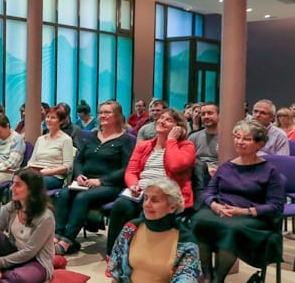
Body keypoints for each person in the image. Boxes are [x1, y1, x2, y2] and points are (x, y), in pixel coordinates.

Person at [88, 177, 202, 283]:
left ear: (172, 207)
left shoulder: (185, 239)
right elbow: (116, 270)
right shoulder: (131, 229)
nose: (147, 204)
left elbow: (185, 281)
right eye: (146, 198)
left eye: (155, 200)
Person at [191, 120, 286, 283]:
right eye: (237, 137)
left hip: (251, 217)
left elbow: (276, 206)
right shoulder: (227, 166)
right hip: (222, 211)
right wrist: (214, 205)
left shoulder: (270, 171)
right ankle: (208, 276)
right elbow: (208, 191)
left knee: (231, 229)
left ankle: (218, 282)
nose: (240, 142)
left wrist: (244, 211)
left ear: (259, 144)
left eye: (246, 139)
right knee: (199, 221)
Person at [105, 109, 195, 255]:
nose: (162, 121)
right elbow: (131, 171)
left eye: (168, 120)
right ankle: (113, 254)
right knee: (121, 206)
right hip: (140, 190)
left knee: (147, 209)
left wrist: (171, 140)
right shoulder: (144, 145)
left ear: (178, 128)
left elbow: (175, 165)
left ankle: (141, 256)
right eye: (161, 118)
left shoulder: (186, 146)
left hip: (165, 193)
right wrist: (133, 184)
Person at [53, 101, 134, 255]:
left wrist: (100, 181)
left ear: (117, 116)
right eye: (101, 112)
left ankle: (67, 241)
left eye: (107, 112)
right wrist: (79, 175)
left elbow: (126, 168)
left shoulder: (126, 140)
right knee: (63, 194)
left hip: (110, 185)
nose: (103, 115)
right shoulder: (92, 137)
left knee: (82, 198)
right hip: (85, 182)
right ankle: (56, 236)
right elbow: (79, 161)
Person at [26, 106, 76, 191]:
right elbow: (32, 161)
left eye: (53, 118)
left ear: (60, 121)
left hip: (54, 176)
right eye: (47, 117)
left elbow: (67, 166)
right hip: (36, 174)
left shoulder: (66, 139)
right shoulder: (40, 139)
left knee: (31, 184)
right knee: (17, 182)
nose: (48, 120)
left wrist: (46, 172)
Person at [187, 102, 219, 210]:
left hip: (219, 172)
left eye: (210, 113)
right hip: (198, 172)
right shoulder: (193, 137)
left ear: (219, 115)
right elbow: (188, 159)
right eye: (203, 114)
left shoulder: (227, 137)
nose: (206, 116)